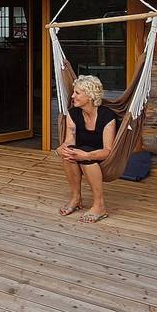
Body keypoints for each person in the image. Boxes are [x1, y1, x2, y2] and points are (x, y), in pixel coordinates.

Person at [58, 74, 117, 223]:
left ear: (90, 96)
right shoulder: (73, 114)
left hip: (100, 157)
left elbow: (108, 150)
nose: (72, 96)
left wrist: (87, 155)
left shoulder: (107, 116)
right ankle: (76, 199)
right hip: (81, 153)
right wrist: (62, 149)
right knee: (68, 154)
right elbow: (69, 141)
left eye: (77, 93)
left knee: (85, 157)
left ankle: (99, 205)